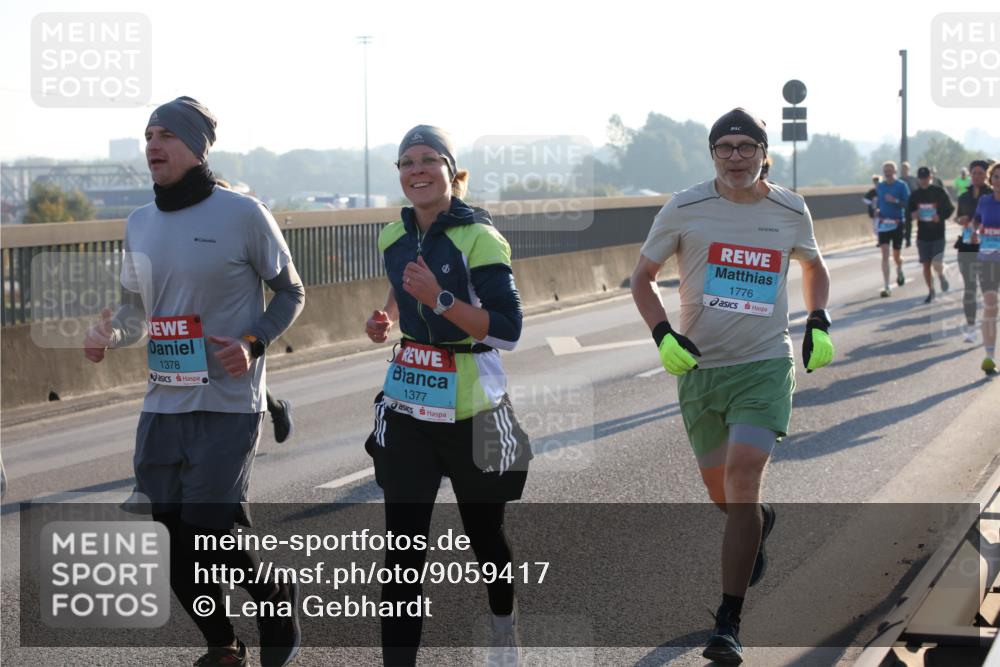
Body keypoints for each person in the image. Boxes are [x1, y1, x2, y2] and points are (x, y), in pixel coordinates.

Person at [83, 97, 305, 667]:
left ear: (196, 147)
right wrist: (111, 332)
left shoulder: (243, 214)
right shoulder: (139, 223)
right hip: (163, 402)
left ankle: (276, 599)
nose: (153, 145)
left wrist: (253, 343)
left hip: (229, 403)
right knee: (169, 538)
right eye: (148, 134)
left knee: (210, 530)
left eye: (166, 136)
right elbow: (136, 310)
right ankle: (223, 645)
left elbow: (291, 292)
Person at [630, 108, 834, 664]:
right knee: (728, 499)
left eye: (748, 147)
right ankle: (758, 522)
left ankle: (728, 621)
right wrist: (662, 334)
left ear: (764, 153)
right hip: (701, 371)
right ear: (713, 155)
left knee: (744, 476)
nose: (737, 156)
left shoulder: (790, 207)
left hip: (764, 364)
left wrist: (818, 319)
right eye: (726, 147)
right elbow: (641, 278)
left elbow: (813, 267)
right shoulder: (685, 206)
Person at [363, 125, 532, 666]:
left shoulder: (479, 237)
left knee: (485, 539)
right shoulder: (393, 234)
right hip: (409, 407)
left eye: (428, 160)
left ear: (451, 171)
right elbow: (404, 274)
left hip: (474, 410)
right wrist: (389, 313)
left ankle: (503, 624)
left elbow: (507, 329)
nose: (416, 170)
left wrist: (438, 300)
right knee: (402, 554)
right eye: (406, 162)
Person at [216, 177, 295, 443]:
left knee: (241, 374)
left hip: (241, 327)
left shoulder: (248, 221)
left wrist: (257, 335)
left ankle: (276, 409)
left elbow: (290, 289)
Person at [955, 160, 992, 342]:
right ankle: (971, 328)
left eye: (980, 173)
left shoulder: (993, 195)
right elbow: (958, 217)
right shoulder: (963, 196)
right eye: (974, 173)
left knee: (989, 290)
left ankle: (988, 324)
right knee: (969, 287)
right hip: (967, 244)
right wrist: (960, 219)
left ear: (987, 175)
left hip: (989, 246)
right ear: (970, 174)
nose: (977, 176)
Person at [907, 166, 955, 303]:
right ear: (918, 179)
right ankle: (931, 291)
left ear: (930, 178)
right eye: (921, 178)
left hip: (938, 234)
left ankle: (941, 276)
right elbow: (908, 212)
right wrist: (912, 215)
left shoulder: (939, 192)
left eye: (926, 178)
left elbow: (950, 209)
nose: (923, 181)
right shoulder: (915, 196)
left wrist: (940, 216)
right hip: (922, 235)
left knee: (936, 262)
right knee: (926, 264)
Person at [971, 161, 1000, 375]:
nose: (999, 181)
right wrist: (976, 231)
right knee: (991, 304)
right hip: (987, 259)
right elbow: (977, 221)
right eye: (996, 177)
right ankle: (989, 357)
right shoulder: (984, 200)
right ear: (991, 180)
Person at [875, 161, 910, 297]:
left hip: (897, 223)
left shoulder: (901, 186)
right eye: (885, 170)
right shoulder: (880, 186)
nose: (887, 172)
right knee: (885, 255)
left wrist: (894, 200)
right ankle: (886, 285)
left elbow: (907, 204)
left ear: (895, 172)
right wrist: (878, 211)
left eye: (890, 170)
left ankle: (900, 269)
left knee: (896, 255)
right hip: (884, 224)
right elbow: (879, 203)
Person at [900, 161, 919, 247]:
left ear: (908, 169)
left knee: (908, 222)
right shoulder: (899, 180)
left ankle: (908, 239)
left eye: (906, 168)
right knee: (903, 222)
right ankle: (905, 236)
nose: (904, 170)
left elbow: (918, 190)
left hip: (912, 204)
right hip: (902, 204)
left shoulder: (913, 179)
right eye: (903, 168)